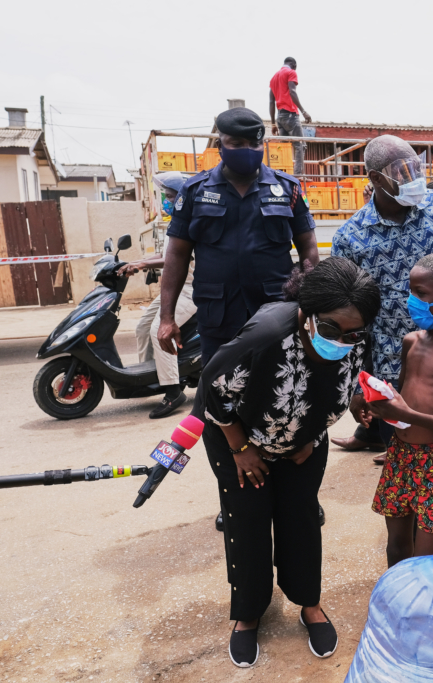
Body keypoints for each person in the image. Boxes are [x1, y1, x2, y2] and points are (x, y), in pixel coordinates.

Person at [192, 257, 380, 667]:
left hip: (303, 444)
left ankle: (308, 603)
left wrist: (313, 434)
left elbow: (343, 383)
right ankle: (247, 613)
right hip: (239, 440)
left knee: (301, 518)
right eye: (331, 329)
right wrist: (241, 448)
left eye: (354, 333)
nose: (342, 341)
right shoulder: (265, 337)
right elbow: (213, 391)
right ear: (305, 313)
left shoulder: (354, 337)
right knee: (249, 519)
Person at [332, 135, 433, 579]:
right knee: (408, 461)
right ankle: (416, 553)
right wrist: (356, 386)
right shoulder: (351, 238)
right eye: (401, 174)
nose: (414, 179)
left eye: (415, 168)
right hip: (391, 369)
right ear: (375, 180)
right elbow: (350, 315)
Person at [160, 106, 320, 532]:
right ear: (220, 145)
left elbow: (307, 249)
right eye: (236, 144)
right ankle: (234, 496)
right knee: (221, 404)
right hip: (220, 317)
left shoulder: (286, 189)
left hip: (278, 315)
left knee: (284, 395)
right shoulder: (195, 192)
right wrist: (166, 316)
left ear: (261, 145)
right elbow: (176, 255)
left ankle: (299, 494)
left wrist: (311, 302)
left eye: (253, 144)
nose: (246, 151)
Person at [364, 254, 433, 567]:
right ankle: (397, 602)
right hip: (400, 455)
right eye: (411, 291)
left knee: (426, 557)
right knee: (397, 547)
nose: (412, 300)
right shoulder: (410, 341)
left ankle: (420, 611)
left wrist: (410, 415)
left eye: (421, 294)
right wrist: (377, 405)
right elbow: (402, 398)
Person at [119, 171, 197, 418]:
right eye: (164, 196)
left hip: (192, 289)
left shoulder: (193, 220)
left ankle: (174, 391)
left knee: (159, 330)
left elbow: (176, 259)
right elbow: (164, 255)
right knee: (142, 327)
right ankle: (151, 378)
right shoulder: (174, 222)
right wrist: (137, 261)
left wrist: (143, 265)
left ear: (182, 198)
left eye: (170, 196)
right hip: (175, 288)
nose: (165, 200)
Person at [269, 57, 311, 176]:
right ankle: (297, 176)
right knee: (300, 145)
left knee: (284, 147)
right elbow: (292, 91)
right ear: (294, 65)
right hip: (291, 115)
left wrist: (273, 124)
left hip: (280, 117)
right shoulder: (291, 72)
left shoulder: (274, 77)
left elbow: (271, 102)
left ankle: (282, 175)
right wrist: (303, 111)